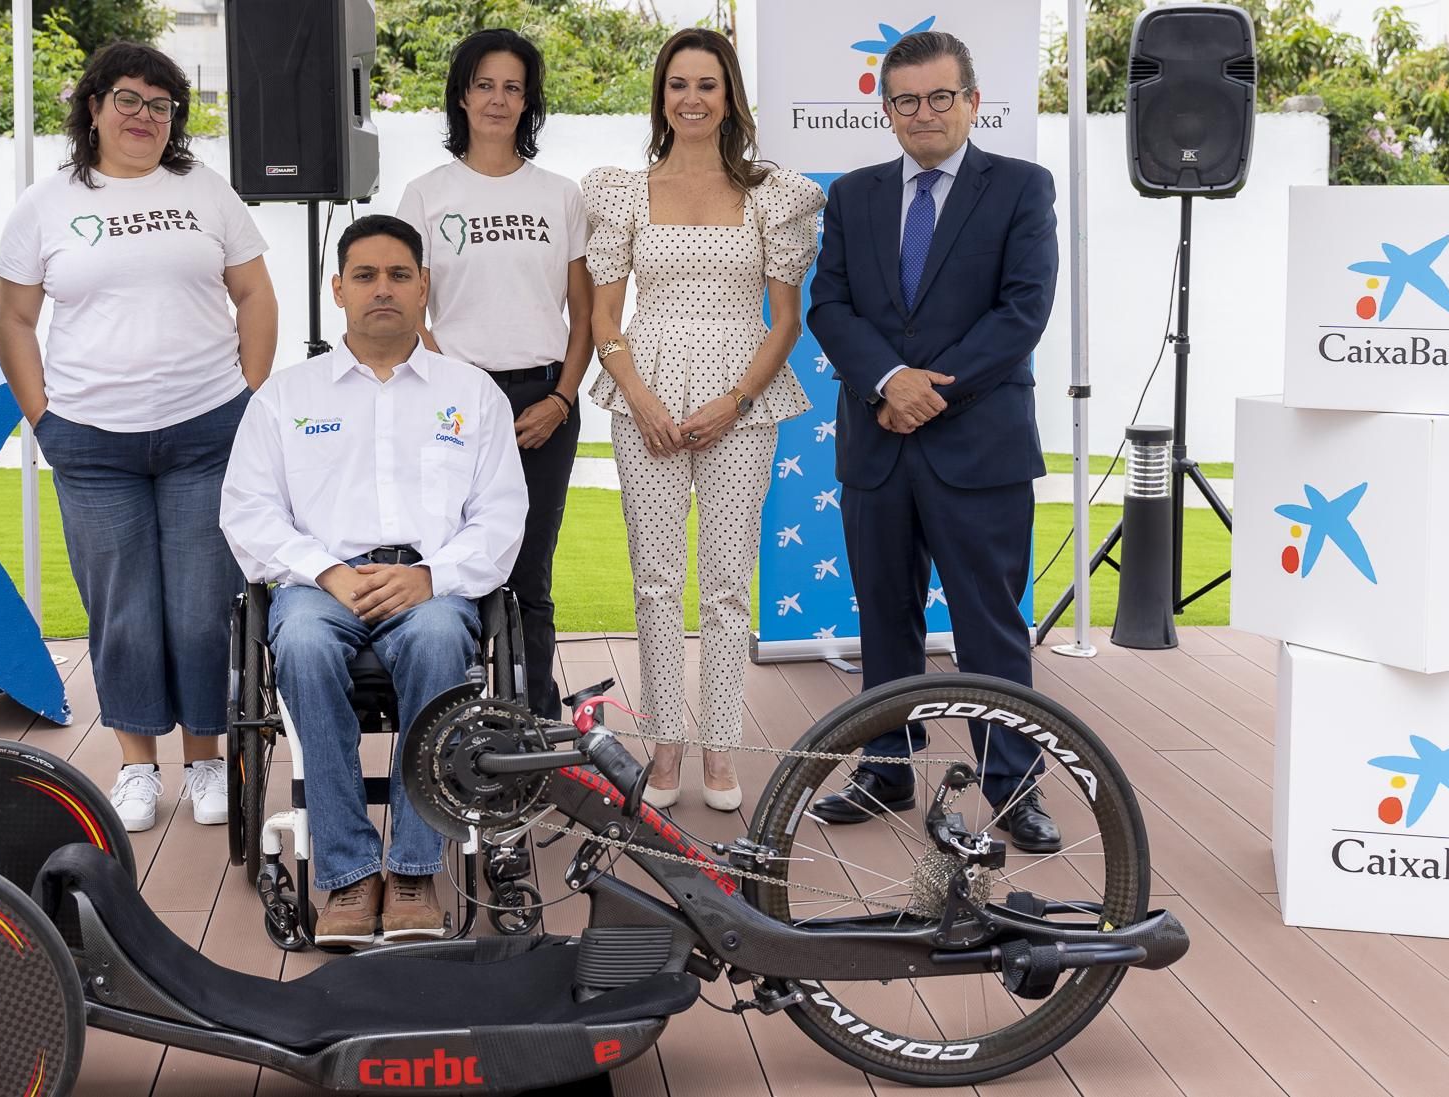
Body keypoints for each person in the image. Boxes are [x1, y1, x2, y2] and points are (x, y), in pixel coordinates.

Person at [0, 41, 279, 833]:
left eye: (161, 105)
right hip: (91, 443)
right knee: (122, 611)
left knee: (199, 610)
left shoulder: (205, 192)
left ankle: (208, 759)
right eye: (129, 99)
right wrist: (43, 414)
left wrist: (251, 394)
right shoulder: (45, 203)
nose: (144, 116)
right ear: (93, 106)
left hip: (204, 432)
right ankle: (137, 766)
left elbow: (253, 292)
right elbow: (14, 318)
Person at [220, 215, 527, 945]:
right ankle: (350, 874)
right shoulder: (287, 397)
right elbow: (248, 510)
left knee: (432, 642)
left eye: (397, 275)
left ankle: (415, 869)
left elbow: (501, 516)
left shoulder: (472, 393)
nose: (381, 289)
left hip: (431, 587)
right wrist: (322, 569)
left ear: (424, 286)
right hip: (316, 586)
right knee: (300, 646)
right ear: (337, 290)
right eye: (365, 275)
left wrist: (432, 575)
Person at [805, 30, 1062, 851]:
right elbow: (829, 307)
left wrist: (924, 391)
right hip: (878, 444)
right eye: (906, 101)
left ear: (973, 102)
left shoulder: (1021, 188)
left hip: (976, 445)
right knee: (884, 614)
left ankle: (1012, 782)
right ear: (886, 111)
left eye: (940, 97)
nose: (923, 114)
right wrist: (888, 382)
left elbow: (1021, 311)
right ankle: (884, 765)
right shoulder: (852, 196)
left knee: (989, 624)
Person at [583, 28, 822, 811]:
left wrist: (736, 400)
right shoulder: (622, 190)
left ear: (729, 98)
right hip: (641, 393)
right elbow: (603, 313)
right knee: (654, 582)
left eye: (706, 85)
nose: (690, 98)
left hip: (740, 399)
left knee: (724, 585)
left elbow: (784, 319)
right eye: (677, 84)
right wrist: (643, 399)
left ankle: (720, 750)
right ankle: (663, 748)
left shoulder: (773, 194)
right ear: (660, 95)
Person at [393, 28, 590, 721]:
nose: (498, 100)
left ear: (528, 99)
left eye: (512, 87)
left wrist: (562, 398)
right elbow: (411, 305)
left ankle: (534, 730)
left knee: (528, 576)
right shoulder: (426, 193)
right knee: (451, 568)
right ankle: (452, 723)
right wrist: (455, 388)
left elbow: (584, 314)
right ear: (461, 95)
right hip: (452, 403)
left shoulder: (559, 195)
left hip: (541, 402)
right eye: (484, 85)